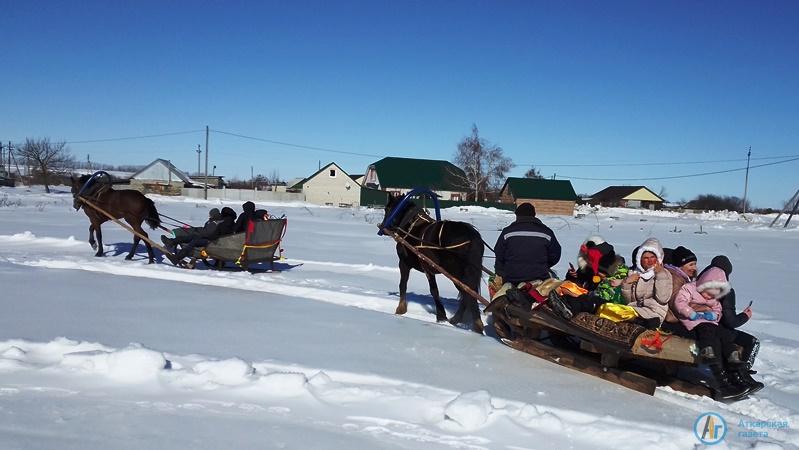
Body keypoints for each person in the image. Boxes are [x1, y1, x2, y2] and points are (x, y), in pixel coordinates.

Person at [673, 267, 750, 400]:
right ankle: (708, 352)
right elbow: (679, 302)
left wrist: (713, 315)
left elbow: (718, 309)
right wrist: (689, 312)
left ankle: (733, 358)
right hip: (693, 320)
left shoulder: (713, 297)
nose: (709, 297)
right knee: (707, 333)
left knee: (724, 334)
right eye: (708, 293)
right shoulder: (690, 288)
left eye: (713, 296)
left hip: (709, 321)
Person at [697, 256, 764, 394]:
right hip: (718, 329)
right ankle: (740, 374)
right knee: (752, 342)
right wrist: (746, 315)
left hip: (703, 326)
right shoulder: (725, 290)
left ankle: (740, 374)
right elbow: (730, 321)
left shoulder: (699, 283)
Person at [494, 202, 561, 285]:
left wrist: (501, 272)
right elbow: (555, 255)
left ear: (517, 215)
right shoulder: (547, 232)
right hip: (540, 279)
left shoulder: (507, 232)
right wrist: (543, 265)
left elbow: (499, 253)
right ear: (534, 215)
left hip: (511, 279)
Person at [620, 238, 673, 329]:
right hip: (637, 310)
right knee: (610, 310)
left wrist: (660, 275)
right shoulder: (635, 274)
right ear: (640, 259)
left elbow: (663, 299)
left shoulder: (665, 274)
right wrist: (627, 283)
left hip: (654, 311)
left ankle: (645, 323)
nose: (650, 261)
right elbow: (629, 301)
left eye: (652, 257)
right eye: (646, 258)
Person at [162, 208, 227, 263]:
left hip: (210, 241)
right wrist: (196, 230)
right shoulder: (215, 221)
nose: (209, 216)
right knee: (188, 237)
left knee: (193, 241)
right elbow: (206, 230)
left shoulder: (215, 222)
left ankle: (178, 257)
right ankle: (171, 242)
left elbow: (208, 233)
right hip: (208, 238)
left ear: (213, 215)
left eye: (210, 215)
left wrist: (198, 232)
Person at [662, 246, 698, 325]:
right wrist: (696, 309)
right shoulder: (675, 278)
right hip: (674, 317)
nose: (694, 268)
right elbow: (675, 301)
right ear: (680, 265)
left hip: (683, 314)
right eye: (691, 265)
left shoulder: (684, 278)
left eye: (695, 264)